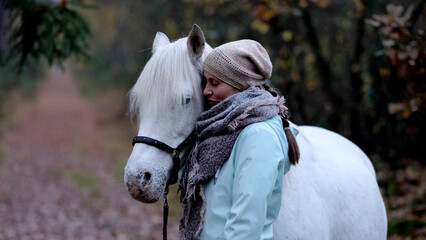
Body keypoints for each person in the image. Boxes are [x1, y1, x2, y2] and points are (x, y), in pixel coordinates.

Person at [179, 39, 300, 240]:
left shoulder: (259, 135)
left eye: (214, 83)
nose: (206, 91)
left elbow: (246, 221)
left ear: (240, 84)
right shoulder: (224, 128)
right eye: (205, 82)